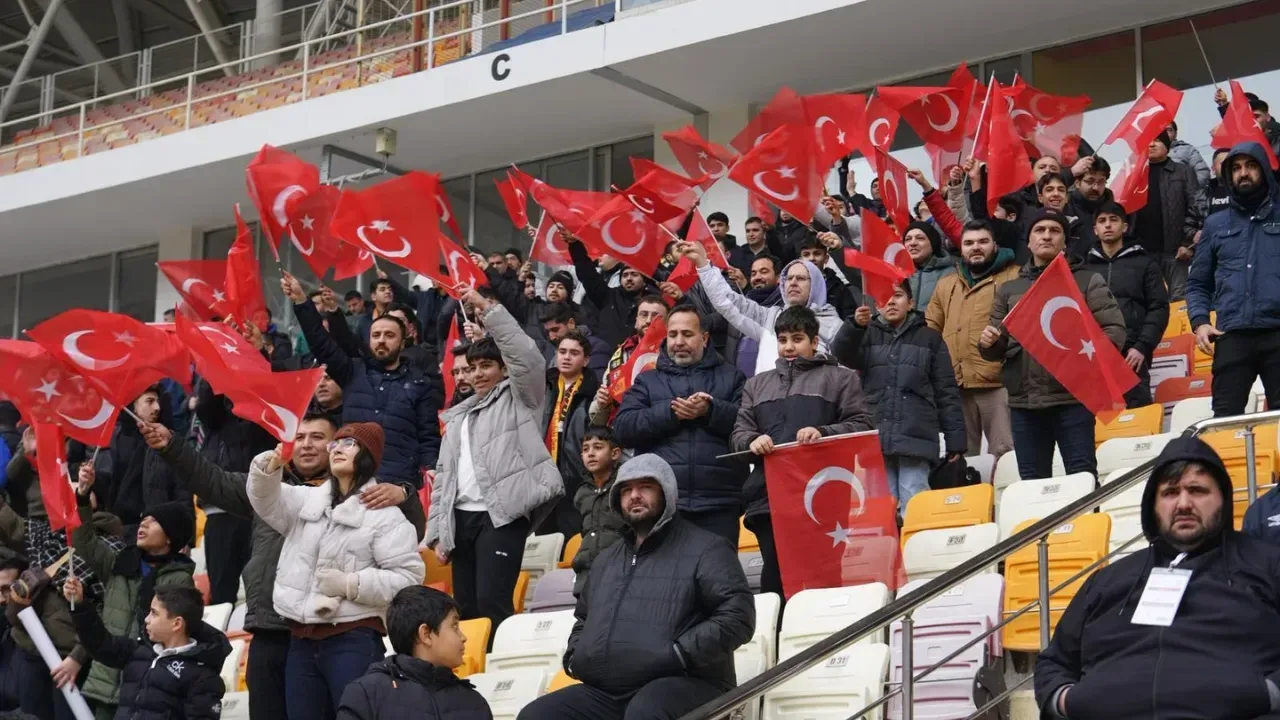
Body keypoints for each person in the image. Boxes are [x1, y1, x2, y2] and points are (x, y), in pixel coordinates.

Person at [1035, 437, 1280, 719]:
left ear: (1223, 499)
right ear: (1153, 505)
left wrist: (1268, 693)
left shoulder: (1266, 565)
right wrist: (1067, 701)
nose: (1183, 504)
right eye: (1170, 493)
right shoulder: (1107, 580)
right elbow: (1054, 662)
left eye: (1197, 490)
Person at [516, 454, 754, 720]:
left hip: (690, 683)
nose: (635, 495)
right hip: (609, 692)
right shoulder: (606, 560)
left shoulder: (707, 548)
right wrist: (576, 656)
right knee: (536, 715)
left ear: (667, 492)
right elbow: (583, 618)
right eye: (626, 489)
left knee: (646, 710)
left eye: (646, 487)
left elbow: (737, 617)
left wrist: (678, 654)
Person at [141, 413, 346, 720]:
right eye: (299, 438)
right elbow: (213, 481)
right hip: (267, 629)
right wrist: (172, 445)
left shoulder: (350, 493)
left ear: (334, 446)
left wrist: (405, 492)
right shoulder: (266, 486)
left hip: (322, 633)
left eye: (317, 437)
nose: (306, 445)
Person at [247, 423, 425, 720]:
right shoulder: (306, 500)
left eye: (349, 444)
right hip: (300, 641)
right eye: (335, 444)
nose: (338, 449)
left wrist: (350, 584)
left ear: (368, 455)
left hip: (352, 639)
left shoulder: (386, 516)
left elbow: (408, 578)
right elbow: (264, 498)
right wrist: (270, 464)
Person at [427, 291, 564, 634]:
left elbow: (527, 358)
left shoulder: (522, 398)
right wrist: (437, 533)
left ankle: (496, 665)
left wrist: (487, 309)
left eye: (486, 366)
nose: (476, 374)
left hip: (500, 518)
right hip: (461, 520)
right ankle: (472, 666)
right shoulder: (457, 417)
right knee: (466, 609)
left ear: (504, 369)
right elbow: (444, 478)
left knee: (493, 603)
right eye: (470, 368)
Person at [734, 307, 873, 595]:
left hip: (823, 496)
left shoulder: (842, 378)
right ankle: (779, 625)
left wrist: (823, 432)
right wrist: (752, 441)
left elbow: (862, 426)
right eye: (782, 340)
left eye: (797, 339)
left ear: (814, 342)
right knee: (775, 577)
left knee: (823, 577)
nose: (789, 347)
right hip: (769, 498)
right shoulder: (755, 385)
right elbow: (738, 435)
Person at [979, 210, 1127, 479]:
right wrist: (989, 342)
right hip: (1024, 405)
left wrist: (1080, 367)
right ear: (1029, 242)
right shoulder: (1009, 289)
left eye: (1054, 230)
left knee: (1082, 478)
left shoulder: (1087, 280)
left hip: (1072, 400)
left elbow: (1114, 331)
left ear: (1065, 242)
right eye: (1039, 230)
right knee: (1032, 484)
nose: (1046, 236)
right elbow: (996, 347)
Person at [284, 271, 442, 500]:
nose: (381, 340)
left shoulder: (420, 383)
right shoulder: (352, 371)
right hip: (351, 486)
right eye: (376, 335)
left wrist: (427, 477)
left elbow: (429, 438)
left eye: (389, 335)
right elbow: (320, 342)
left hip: (397, 489)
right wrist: (301, 302)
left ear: (403, 342)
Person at [612, 304, 747, 546]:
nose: (678, 342)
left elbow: (748, 423)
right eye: (673, 334)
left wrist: (710, 411)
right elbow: (623, 428)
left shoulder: (732, 376)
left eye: (687, 334)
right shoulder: (647, 381)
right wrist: (670, 413)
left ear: (704, 338)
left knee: (719, 569)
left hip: (719, 503)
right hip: (662, 504)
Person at [72, 468, 196, 719]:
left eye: (153, 521)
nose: (143, 524)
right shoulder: (119, 561)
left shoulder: (180, 579)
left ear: (170, 537)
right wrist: (83, 498)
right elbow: (84, 541)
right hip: (105, 681)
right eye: (143, 519)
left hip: (145, 689)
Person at [834, 283, 966, 511]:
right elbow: (842, 353)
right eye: (884, 297)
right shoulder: (866, 334)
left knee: (915, 504)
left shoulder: (930, 339)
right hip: (876, 435)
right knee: (882, 509)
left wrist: (955, 440)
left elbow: (946, 392)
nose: (891, 301)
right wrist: (854, 326)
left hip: (917, 438)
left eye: (898, 296)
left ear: (911, 303)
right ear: (876, 305)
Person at [1187, 142, 1280, 417]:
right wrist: (1200, 322)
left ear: (1264, 170)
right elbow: (1198, 283)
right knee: (1224, 421)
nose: (1243, 173)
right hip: (1231, 334)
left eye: (1250, 166)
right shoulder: (1215, 224)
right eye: (1236, 168)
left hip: (1277, 332)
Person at [925, 219, 1020, 461]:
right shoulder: (946, 284)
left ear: (995, 246)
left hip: (998, 384)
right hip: (956, 386)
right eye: (969, 243)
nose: (975, 247)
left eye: (982, 241)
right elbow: (930, 332)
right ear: (961, 248)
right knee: (963, 459)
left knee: (1005, 456)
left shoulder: (1015, 277)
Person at [66, 580, 227, 720]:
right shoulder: (138, 651)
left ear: (177, 624)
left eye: (154, 614)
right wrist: (79, 605)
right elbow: (100, 644)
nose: (146, 619)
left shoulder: (202, 677)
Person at [336, 586, 492, 720]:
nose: (463, 637)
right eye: (454, 626)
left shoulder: (474, 702)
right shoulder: (366, 694)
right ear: (426, 634)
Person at [689, 239, 842, 375]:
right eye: (789, 278)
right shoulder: (770, 317)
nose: (793, 283)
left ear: (816, 285)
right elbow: (728, 302)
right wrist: (704, 266)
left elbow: (843, 374)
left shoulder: (833, 325)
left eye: (801, 278)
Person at [1085, 201, 1170, 408]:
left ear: (1124, 227)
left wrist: (1142, 347)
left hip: (1132, 355)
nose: (1107, 225)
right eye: (1102, 221)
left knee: (1138, 415)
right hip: (1092, 355)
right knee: (1095, 419)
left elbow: (1159, 308)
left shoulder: (1145, 263)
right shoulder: (1084, 268)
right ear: (1095, 229)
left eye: (1113, 220)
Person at [0, 549, 88, 720]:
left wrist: (78, 657)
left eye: (6, 589)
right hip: (30, 664)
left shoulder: (67, 592)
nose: (2, 599)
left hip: (68, 667)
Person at [94, 385, 192, 533]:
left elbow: (182, 493)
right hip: (118, 530)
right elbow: (105, 482)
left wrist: (185, 535)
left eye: (158, 402)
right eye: (150, 401)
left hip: (157, 531)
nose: (157, 407)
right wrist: (89, 484)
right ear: (133, 407)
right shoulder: (114, 439)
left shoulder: (168, 442)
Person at [1129, 131, 1204, 300]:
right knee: (1150, 302)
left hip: (1176, 253)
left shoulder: (1183, 172)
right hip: (1143, 254)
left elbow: (1197, 208)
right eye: (1147, 141)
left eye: (1157, 140)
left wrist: (1189, 245)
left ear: (1167, 146)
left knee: (1180, 303)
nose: (1151, 144)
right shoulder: (1134, 174)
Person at [540, 330, 600, 538]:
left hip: (575, 480)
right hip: (542, 480)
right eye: (562, 352)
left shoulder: (594, 392)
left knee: (571, 541)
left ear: (586, 360)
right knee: (542, 544)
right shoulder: (543, 386)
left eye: (574, 353)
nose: (566, 357)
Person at [592, 295, 668, 425]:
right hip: (619, 427)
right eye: (644, 315)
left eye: (656, 316)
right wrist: (601, 403)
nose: (649, 320)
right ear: (636, 320)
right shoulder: (621, 353)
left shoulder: (674, 354)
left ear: (667, 323)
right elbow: (598, 417)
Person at [568, 237, 653, 348]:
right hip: (606, 355)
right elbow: (587, 273)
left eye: (634, 274)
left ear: (644, 280)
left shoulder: (652, 303)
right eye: (625, 275)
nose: (629, 278)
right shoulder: (608, 296)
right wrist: (574, 244)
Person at [569, 427, 625, 596]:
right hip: (586, 570)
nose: (591, 454)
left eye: (598, 447)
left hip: (618, 567)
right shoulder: (581, 493)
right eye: (586, 449)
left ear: (615, 453)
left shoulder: (624, 486)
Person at [538, 303, 610, 380]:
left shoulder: (596, 347)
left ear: (571, 323)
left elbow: (597, 382)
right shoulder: (554, 357)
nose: (552, 337)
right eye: (547, 332)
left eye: (555, 329)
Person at [796, 235, 857, 319]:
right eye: (806, 254)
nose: (812, 258)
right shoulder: (792, 285)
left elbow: (850, 318)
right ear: (800, 259)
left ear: (826, 258)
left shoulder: (838, 287)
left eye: (817, 254)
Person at [902, 220, 956, 309]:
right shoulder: (897, 274)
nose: (913, 243)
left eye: (920, 238)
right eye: (908, 239)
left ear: (933, 244)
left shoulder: (950, 274)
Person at [1166, 121, 1210, 189]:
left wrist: (1185, 189)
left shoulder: (1188, 150)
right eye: (1160, 130)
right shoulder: (1149, 152)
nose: (1164, 133)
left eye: (1168, 130)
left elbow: (1203, 173)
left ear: (1175, 134)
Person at [1206, 147, 1232, 217]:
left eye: (1230, 163)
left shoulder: (1244, 190)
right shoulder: (1204, 193)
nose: (1227, 166)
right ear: (1213, 169)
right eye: (1223, 163)